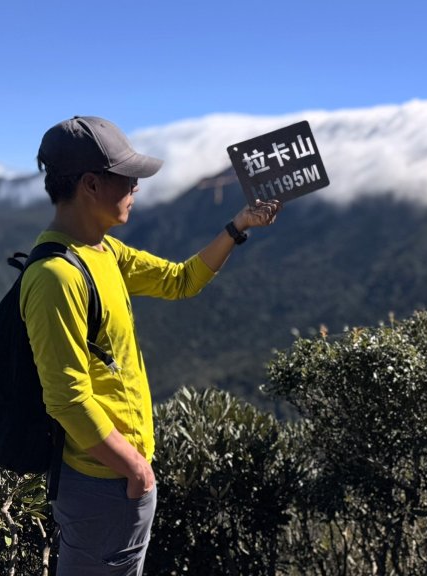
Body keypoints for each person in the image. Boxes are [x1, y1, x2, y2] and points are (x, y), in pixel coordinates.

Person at [24, 115, 280, 575]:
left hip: (117, 478)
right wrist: (135, 471)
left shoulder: (105, 252)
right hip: (102, 481)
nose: (136, 188)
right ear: (90, 184)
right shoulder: (56, 277)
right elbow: (67, 399)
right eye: (128, 177)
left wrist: (238, 226)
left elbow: (180, 280)